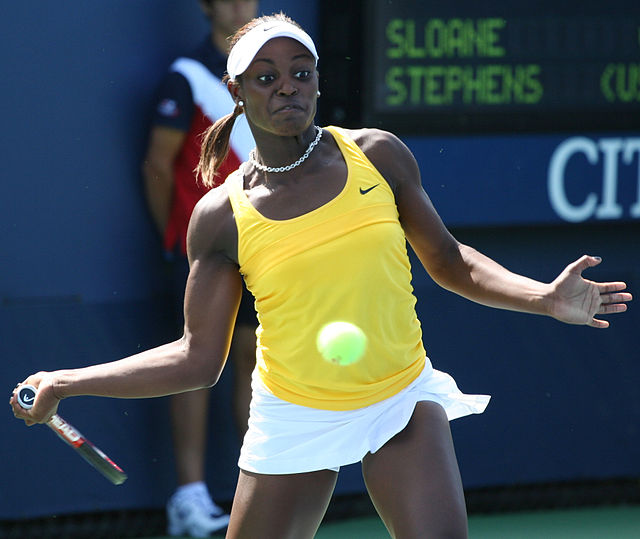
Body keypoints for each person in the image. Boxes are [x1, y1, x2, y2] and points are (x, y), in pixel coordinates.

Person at [12, 13, 632, 539]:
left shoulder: (378, 154)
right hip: (294, 413)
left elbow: (450, 261)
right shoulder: (219, 217)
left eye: (300, 73)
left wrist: (543, 297)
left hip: (399, 395)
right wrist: (68, 380)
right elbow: (198, 359)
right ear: (238, 92)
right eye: (267, 77)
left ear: (316, 81)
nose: (288, 88)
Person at [141, 0, 258, 536]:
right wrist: (178, 236)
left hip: (263, 247)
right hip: (201, 252)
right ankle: (188, 501)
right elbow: (158, 164)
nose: (239, 6)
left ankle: (262, 490)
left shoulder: (269, 75)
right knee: (193, 363)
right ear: (207, 8)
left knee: (254, 367)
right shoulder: (185, 77)